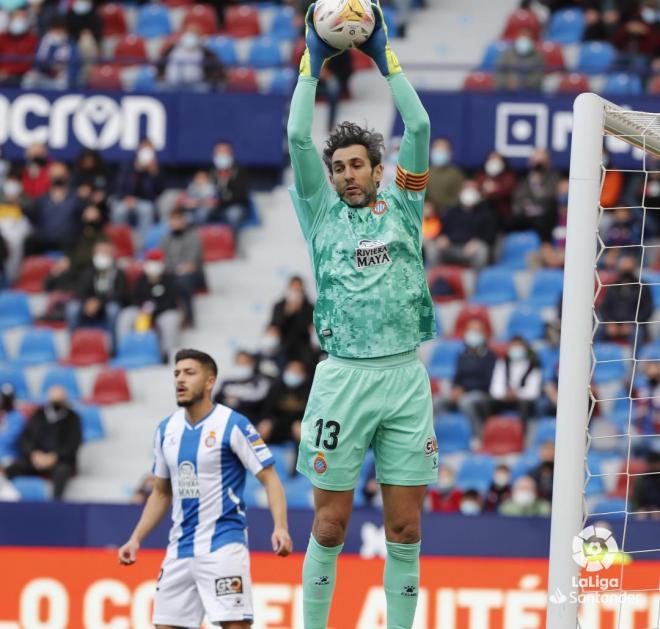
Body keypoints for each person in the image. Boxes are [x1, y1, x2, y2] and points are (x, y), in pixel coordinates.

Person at [288, 7, 437, 626]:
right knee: (330, 522)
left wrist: (384, 56)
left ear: (380, 170)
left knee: (404, 527)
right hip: (343, 378)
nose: (348, 174)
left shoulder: (404, 203)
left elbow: (420, 124)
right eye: (340, 166)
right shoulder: (320, 214)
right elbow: (299, 138)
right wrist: (310, 66)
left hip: (405, 381)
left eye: (358, 165)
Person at [117, 349, 293, 628]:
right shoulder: (166, 430)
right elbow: (162, 492)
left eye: (189, 373)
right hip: (179, 549)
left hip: (222, 545)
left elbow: (270, 478)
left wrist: (280, 527)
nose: (180, 380)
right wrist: (136, 538)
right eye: (176, 373)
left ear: (210, 381)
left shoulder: (233, 424)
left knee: (235, 625)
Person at [4, 385, 82, 500]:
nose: (56, 404)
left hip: (59, 461)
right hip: (36, 458)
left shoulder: (73, 418)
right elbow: (26, 438)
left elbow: (73, 443)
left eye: (59, 400)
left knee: (62, 472)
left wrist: (55, 456)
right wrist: (33, 454)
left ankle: (55, 504)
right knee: (12, 469)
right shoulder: (38, 415)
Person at [117, 249, 182, 362]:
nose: (153, 266)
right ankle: (123, 348)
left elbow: (172, 301)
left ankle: (166, 354)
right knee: (126, 315)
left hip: (164, 311)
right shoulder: (140, 280)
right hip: (142, 311)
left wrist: (155, 310)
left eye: (156, 263)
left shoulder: (170, 279)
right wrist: (143, 309)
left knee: (169, 320)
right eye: (151, 263)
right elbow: (134, 298)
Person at [67, 240, 129, 350]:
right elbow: (80, 290)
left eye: (105, 252)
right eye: (99, 252)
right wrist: (87, 302)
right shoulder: (88, 271)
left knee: (113, 310)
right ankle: (74, 346)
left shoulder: (119, 273)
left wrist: (100, 302)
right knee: (72, 308)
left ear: (111, 254)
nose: (102, 255)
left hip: (107, 305)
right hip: (88, 305)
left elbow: (120, 294)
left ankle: (113, 348)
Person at [448, 318, 497, 437]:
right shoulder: (462, 355)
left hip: (482, 394)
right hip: (462, 392)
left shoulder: (490, 356)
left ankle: (477, 436)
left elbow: (487, 383)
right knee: (438, 402)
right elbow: (457, 377)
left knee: (466, 402)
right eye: (470, 331)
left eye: (476, 331)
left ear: (483, 334)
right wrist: (455, 389)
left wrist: (463, 389)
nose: (473, 334)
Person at [432, 180, 497, 268]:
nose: (469, 192)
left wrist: (477, 242)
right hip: (451, 247)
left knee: (482, 250)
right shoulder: (451, 211)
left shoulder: (486, 213)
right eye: (466, 188)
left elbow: (490, 236)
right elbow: (442, 230)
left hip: (471, 249)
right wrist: (443, 238)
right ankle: (432, 277)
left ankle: (476, 278)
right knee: (434, 248)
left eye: (473, 189)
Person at [160, 207, 206, 326]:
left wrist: (175, 268)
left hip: (194, 274)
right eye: (172, 220)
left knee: (182, 282)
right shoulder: (166, 238)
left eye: (177, 219)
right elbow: (162, 259)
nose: (174, 223)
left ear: (184, 220)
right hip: (172, 272)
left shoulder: (193, 236)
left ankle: (189, 316)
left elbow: (191, 263)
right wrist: (173, 269)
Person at [24, 161, 83, 255]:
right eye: (55, 175)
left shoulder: (77, 200)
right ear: (49, 176)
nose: (58, 178)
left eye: (61, 175)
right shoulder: (40, 201)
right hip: (43, 248)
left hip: (70, 249)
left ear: (67, 176)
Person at [112, 138, 163, 239]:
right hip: (125, 200)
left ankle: (141, 246)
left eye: (149, 148)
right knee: (119, 211)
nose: (146, 150)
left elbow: (158, 191)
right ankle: (121, 242)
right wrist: (126, 197)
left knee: (147, 210)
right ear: (138, 148)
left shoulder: (156, 168)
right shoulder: (127, 165)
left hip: (145, 201)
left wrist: (153, 174)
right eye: (144, 147)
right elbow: (119, 186)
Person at [599, 254, 653, 344]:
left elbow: (647, 309)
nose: (626, 272)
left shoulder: (642, 287)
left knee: (637, 333)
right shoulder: (612, 286)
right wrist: (609, 322)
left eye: (629, 268)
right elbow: (604, 307)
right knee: (598, 330)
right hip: (613, 325)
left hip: (634, 325)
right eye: (624, 268)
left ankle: (634, 357)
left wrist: (631, 323)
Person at [489, 336, 542, 428]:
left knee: (525, 405)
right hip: (504, 399)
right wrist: (505, 393)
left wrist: (517, 394)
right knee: (488, 403)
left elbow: (533, 392)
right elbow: (495, 388)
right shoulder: (502, 363)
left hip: (523, 400)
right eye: (513, 346)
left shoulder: (533, 365)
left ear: (525, 349)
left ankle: (522, 435)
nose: (516, 349)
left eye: (519, 347)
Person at [510, 149, 560, 243]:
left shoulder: (554, 179)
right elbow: (518, 203)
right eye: (536, 162)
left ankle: (546, 251)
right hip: (526, 217)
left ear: (548, 163)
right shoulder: (523, 181)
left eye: (541, 162)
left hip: (546, 218)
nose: (538, 166)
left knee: (544, 221)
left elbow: (550, 198)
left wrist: (538, 185)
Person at [257, 359, 311, 445]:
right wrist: (267, 421)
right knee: (262, 429)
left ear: (304, 375)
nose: (293, 373)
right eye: (291, 369)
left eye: (297, 371)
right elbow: (266, 410)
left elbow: (311, 414)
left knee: (302, 431)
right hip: (276, 424)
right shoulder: (276, 387)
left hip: (297, 425)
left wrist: (301, 422)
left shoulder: (309, 391)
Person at [22, 16, 80, 89]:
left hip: (60, 77)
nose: (57, 33)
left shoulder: (70, 44)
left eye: (59, 30)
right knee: (29, 78)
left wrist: (62, 72)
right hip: (44, 75)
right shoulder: (43, 42)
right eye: (54, 30)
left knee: (63, 82)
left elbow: (73, 67)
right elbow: (36, 64)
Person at [161, 24, 225, 91]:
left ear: (199, 36)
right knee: (161, 87)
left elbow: (217, 71)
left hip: (197, 84)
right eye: (188, 33)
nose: (190, 36)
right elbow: (160, 66)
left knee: (203, 88)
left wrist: (210, 79)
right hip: (172, 84)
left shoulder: (208, 54)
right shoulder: (170, 50)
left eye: (194, 33)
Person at [269, 275, 315, 365]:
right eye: (294, 286)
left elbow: (309, 328)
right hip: (283, 346)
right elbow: (275, 325)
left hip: (304, 347)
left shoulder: (309, 307)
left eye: (299, 286)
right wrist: (288, 312)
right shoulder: (279, 306)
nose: (296, 289)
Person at [214, 351, 272, 420]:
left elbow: (261, 403)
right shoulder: (227, 382)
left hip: (251, 421)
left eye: (245, 363)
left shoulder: (261, 382)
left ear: (252, 363)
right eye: (239, 363)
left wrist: (238, 402)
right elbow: (217, 400)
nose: (242, 365)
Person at [209, 142, 251, 232]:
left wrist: (221, 198)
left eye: (224, 152)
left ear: (231, 153)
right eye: (218, 152)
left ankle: (231, 244)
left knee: (233, 215)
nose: (221, 155)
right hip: (215, 207)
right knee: (201, 213)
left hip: (236, 206)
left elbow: (241, 194)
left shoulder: (240, 171)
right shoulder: (211, 171)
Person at [0, 173, 32, 282]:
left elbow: (28, 228)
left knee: (15, 247)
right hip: (3, 233)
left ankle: (12, 279)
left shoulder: (24, 206)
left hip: (16, 235)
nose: (11, 198)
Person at [475, 150, 517, 229]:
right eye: (491, 159)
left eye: (497, 159)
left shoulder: (509, 176)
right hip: (483, 212)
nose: (494, 161)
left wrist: (491, 191)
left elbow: (505, 191)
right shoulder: (481, 175)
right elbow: (477, 191)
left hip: (502, 213)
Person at [494, 26, 544, 91]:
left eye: (527, 37)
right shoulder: (506, 54)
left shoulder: (538, 56)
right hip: (506, 91)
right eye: (522, 37)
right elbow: (499, 73)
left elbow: (538, 77)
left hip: (529, 93)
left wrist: (521, 83)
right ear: (517, 38)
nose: (524, 40)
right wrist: (507, 83)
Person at [0, 8, 38, 86]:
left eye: (22, 17)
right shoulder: (2, 37)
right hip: (3, 74)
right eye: (16, 16)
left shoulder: (33, 39)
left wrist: (10, 70)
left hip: (22, 75)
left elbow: (31, 61)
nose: (19, 20)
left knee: (31, 80)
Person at [426, 137, 464, 212]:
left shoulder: (456, 174)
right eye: (437, 149)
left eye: (443, 149)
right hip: (426, 215)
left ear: (450, 152)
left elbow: (458, 198)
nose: (440, 152)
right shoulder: (423, 172)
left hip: (448, 214)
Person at [0, 384, 24, 465]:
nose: (5, 402)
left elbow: (10, 439)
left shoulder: (17, 417)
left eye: (8, 398)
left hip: (9, 457)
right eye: (4, 398)